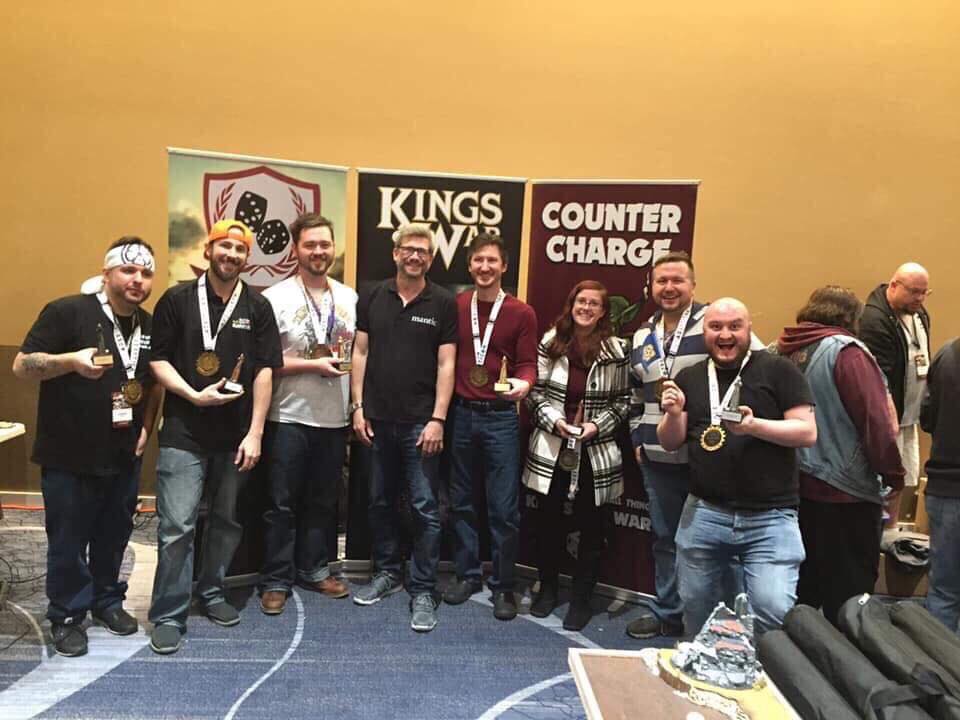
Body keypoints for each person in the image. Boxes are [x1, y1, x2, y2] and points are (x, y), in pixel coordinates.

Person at [13, 237, 161, 657]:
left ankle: (106, 601)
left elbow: (152, 385)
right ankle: (67, 614)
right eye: (128, 270)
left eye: (146, 272)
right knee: (69, 540)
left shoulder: (149, 325)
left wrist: (147, 428)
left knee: (113, 535)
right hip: (68, 453)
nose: (137, 279)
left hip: (122, 452)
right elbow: (21, 366)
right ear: (107, 272)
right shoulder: (67, 311)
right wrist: (69, 361)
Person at [147, 220, 282, 654]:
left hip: (236, 436)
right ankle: (169, 613)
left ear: (247, 258)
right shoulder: (177, 300)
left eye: (240, 249)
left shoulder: (258, 306)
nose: (232, 255)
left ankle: (211, 591)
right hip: (183, 432)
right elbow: (157, 360)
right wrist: (192, 394)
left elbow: (265, 371)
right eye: (225, 246)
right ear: (209, 250)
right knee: (177, 526)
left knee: (225, 522)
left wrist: (256, 432)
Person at [659, 298, 816, 634]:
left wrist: (754, 427)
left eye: (735, 326)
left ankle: (764, 666)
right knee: (696, 604)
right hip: (704, 512)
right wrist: (672, 415)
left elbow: (807, 432)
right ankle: (703, 663)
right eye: (716, 327)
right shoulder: (690, 376)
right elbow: (671, 441)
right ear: (704, 332)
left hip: (770, 516)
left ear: (748, 329)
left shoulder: (779, 370)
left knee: (773, 609)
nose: (725, 334)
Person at [775, 286, 904, 626]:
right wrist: (893, 474)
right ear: (852, 316)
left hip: (792, 490)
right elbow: (876, 421)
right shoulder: (848, 353)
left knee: (801, 593)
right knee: (849, 599)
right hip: (846, 494)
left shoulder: (782, 350)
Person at [350, 223, 457, 633]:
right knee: (379, 502)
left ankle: (424, 588)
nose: (415, 256)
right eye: (409, 249)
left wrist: (438, 419)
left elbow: (447, 363)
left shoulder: (443, 301)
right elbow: (360, 352)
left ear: (431, 258)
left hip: (421, 425)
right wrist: (358, 407)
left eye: (423, 251)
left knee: (425, 509)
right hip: (376, 421)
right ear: (395, 253)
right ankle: (388, 572)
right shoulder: (372, 295)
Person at [257, 213, 356, 615]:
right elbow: (265, 362)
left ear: (333, 248)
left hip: (334, 417)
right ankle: (276, 579)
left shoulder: (349, 298)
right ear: (295, 249)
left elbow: (357, 356)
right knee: (280, 504)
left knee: (322, 501)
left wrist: (357, 406)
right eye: (310, 244)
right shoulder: (274, 298)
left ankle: (315, 569)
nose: (319, 251)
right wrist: (312, 365)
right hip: (288, 416)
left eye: (325, 244)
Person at [523, 280, 630, 631]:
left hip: (595, 450)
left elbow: (624, 401)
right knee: (548, 523)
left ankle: (582, 599)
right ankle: (548, 590)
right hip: (553, 445)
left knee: (592, 528)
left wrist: (595, 427)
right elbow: (533, 393)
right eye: (580, 301)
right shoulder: (551, 342)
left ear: (603, 311)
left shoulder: (617, 350)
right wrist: (556, 422)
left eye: (593, 303)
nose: (586, 308)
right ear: (571, 305)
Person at [443, 232, 537, 621]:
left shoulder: (521, 312)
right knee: (461, 501)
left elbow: (527, 363)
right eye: (478, 260)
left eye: (492, 261)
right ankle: (467, 574)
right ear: (469, 265)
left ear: (504, 266)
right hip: (461, 414)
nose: (485, 267)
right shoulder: (456, 306)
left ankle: (503, 585)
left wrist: (525, 384)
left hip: (500, 418)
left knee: (504, 509)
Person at [860, 263, 931, 494]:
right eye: (914, 292)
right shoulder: (874, 321)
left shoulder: (918, 312)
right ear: (894, 285)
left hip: (909, 416)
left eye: (925, 292)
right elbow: (877, 379)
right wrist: (887, 420)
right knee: (887, 484)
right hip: (889, 419)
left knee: (904, 480)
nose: (920, 298)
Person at [920, 337, 960, 633]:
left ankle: (937, 659)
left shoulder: (946, 354)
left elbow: (926, 418)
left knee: (943, 592)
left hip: (945, 487)